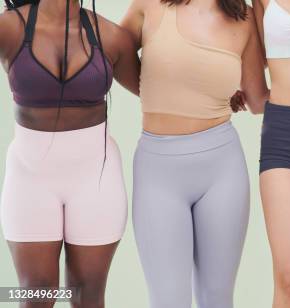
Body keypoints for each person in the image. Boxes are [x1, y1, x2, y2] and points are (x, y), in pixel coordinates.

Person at [120, 0, 268, 307]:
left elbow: (258, 100)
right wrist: (156, 88)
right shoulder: (149, 6)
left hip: (222, 167)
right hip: (158, 170)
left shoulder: (244, 18)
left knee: (217, 298)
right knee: (168, 300)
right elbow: (113, 54)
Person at [0, 0, 139, 307]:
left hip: (96, 176)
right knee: (36, 293)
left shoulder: (112, 36)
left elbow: (157, 91)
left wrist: (228, 91)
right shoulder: (9, 28)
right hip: (30, 176)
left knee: (87, 294)